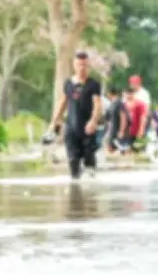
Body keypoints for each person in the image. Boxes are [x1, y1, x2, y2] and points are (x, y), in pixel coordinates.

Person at [49, 52, 103, 180]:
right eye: (79, 65)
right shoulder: (68, 83)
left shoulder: (93, 85)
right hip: (72, 128)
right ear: (74, 65)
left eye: (85, 65)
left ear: (89, 66)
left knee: (89, 163)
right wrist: (55, 121)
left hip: (87, 128)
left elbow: (97, 104)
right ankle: (75, 188)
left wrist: (93, 121)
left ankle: (91, 186)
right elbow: (63, 102)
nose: (82, 68)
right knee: (73, 161)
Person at [104, 87, 129, 153]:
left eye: (107, 94)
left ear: (110, 94)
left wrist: (121, 131)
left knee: (121, 150)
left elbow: (123, 117)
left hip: (117, 130)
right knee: (110, 148)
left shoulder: (119, 103)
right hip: (112, 130)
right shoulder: (111, 104)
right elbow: (109, 119)